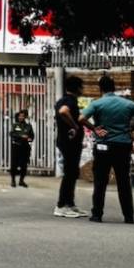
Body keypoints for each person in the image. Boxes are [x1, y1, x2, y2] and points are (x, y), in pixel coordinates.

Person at [80, 75, 134, 224]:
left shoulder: (97, 104)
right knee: (123, 181)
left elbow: (81, 119)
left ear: (101, 89)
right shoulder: (127, 104)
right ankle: (128, 216)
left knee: (100, 181)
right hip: (123, 146)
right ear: (114, 87)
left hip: (103, 146)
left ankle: (97, 214)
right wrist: (131, 128)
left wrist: (95, 129)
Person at [53, 75, 87, 218]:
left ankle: (70, 204)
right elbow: (63, 112)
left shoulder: (64, 100)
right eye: (82, 86)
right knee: (69, 174)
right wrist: (75, 127)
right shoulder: (69, 101)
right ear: (78, 88)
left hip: (69, 142)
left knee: (72, 174)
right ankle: (60, 206)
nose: (83, 89)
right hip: (69, 143)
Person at [9, 110, 34, 188]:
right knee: (14, 165)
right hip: (16, 146)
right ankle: (13, 180)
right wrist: (21, 136)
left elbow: (32, 136)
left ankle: (21, 180)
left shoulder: (28, 126)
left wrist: (29, 139)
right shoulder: (15, 125)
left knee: (24, 165)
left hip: (25, 147)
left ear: (25, 117)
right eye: (20, 116)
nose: (21, 117)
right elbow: (12, 133)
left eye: (23, 116)